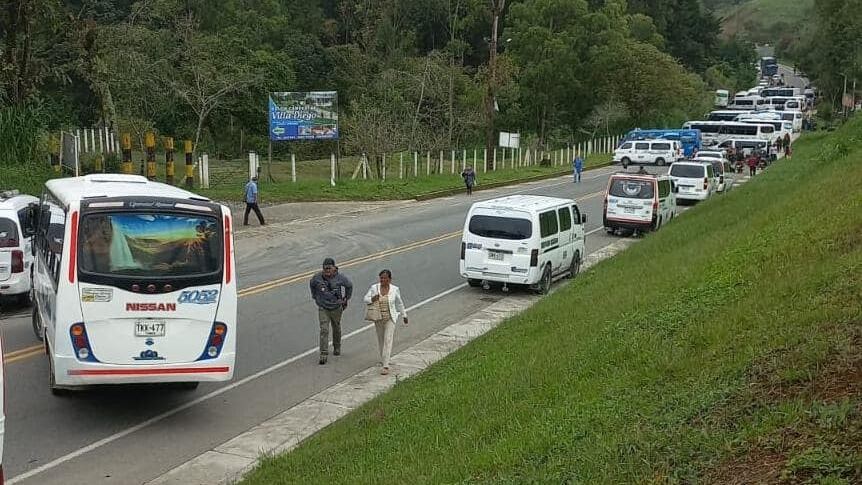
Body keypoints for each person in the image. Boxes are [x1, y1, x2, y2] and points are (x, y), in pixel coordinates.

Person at [363, 269, 408, 375]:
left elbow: (399, 303)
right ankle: (383, 359)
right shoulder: (374, 288)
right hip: (378, 317)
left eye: (385, 278)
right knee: (381, 340)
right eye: (381, 278)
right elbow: (365, 299)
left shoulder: (395, 289)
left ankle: (386, 365)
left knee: (388, 340)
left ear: (389, 279)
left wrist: (404, 315)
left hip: (390, 318)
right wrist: (372, 299)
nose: (383, 280)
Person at [309, 257, 353, 365]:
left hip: (336, 307)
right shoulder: (317, 277)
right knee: (324, 330)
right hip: (323, 307)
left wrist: (346, 298)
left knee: (336, 327)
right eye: (325, 269)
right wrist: (315, 297)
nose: (327, 271)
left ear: (334, 268)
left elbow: (349, 286)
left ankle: (337, 347)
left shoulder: (340, 278)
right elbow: (312, 284)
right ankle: (323, 354)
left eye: (329, 268)